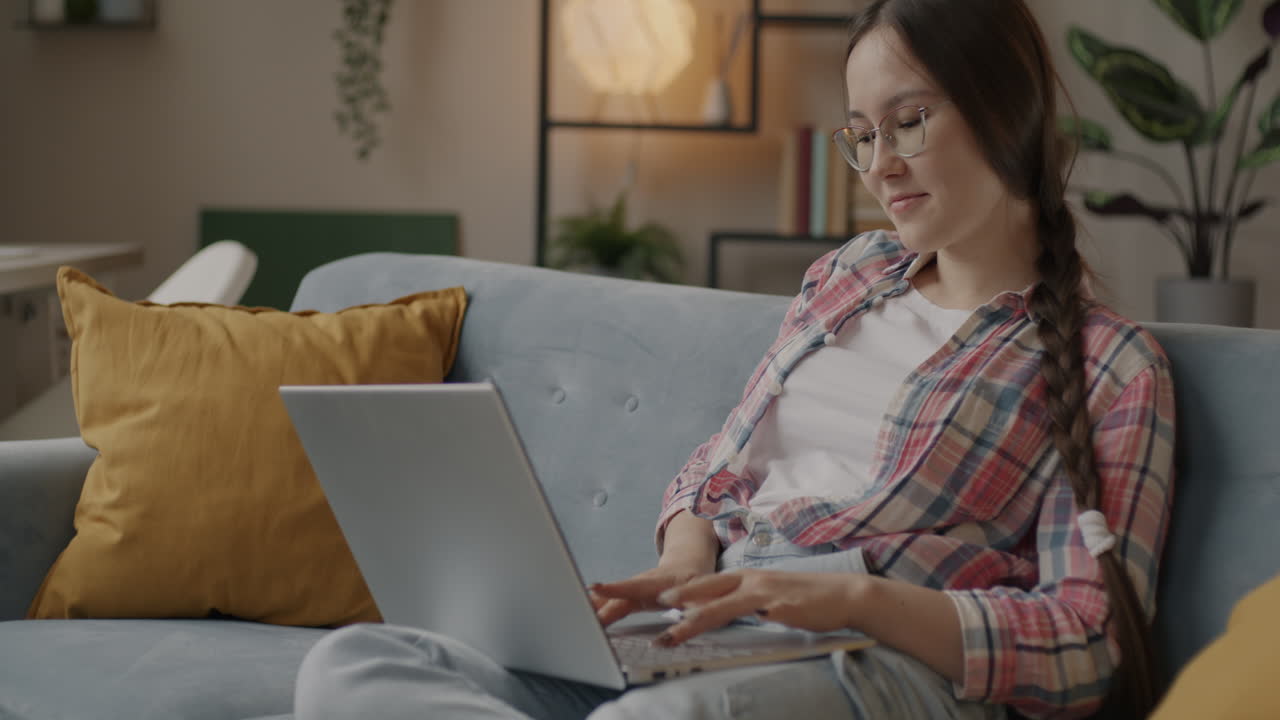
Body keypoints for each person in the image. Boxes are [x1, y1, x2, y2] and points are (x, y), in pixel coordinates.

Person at [293, 0, 1176, 718]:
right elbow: (719, 466)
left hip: (880, 661)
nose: (880, 166)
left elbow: (1086, 644)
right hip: (721, 620)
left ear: (1008, 111)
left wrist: (851, 599)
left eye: (908, 122)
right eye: (861, 135)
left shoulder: (1111, 367)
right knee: (356, 665)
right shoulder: (848, 276)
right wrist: (684, 564)